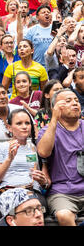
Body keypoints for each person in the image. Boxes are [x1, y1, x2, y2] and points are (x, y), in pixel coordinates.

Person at [0, 108, 50, 218]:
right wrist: (9, 159)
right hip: (7, 192)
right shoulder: (0, 147)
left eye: (27, 123)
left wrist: (43, 181)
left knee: (32, 210)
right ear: (9, 127)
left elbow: (44, 182)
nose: (24, 126)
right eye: (19, 123)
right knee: (22, 212)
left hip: (31, 191)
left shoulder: (34, 148)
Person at [37, 89, 84, 226]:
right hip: (63, 191)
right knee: (64, 215)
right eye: (68, 101)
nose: (74, 103)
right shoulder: (48, 130)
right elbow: (43, 152)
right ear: (55, 107)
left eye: (76, 100)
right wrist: (54, 119)